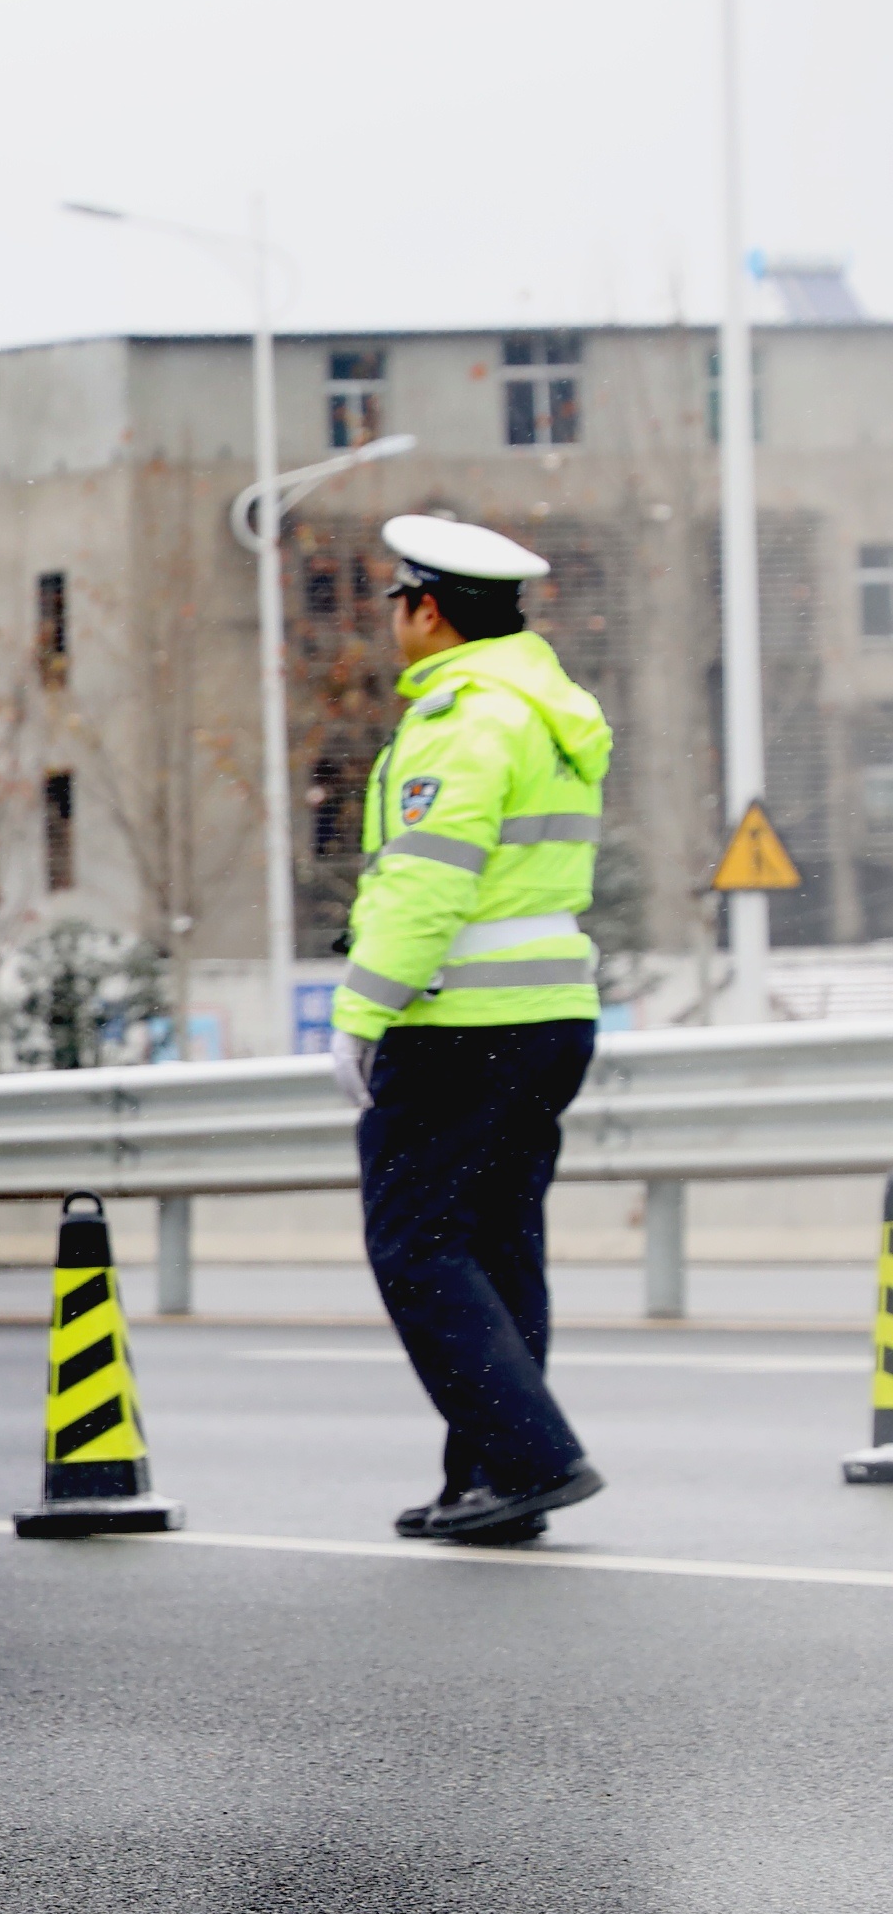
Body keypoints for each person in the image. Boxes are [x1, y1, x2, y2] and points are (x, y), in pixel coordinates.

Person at [331, 515, 611, 1545]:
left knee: (416, 1247)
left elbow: (426, 881)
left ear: (428, 609)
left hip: (462, 1026)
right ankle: (494, 1480)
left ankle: (534, 1458)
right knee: (496, 1245)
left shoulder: (464, 720)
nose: (393, 622)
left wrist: (362, 1012)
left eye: (396, 604)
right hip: (549, 1020)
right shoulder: (549, 710)